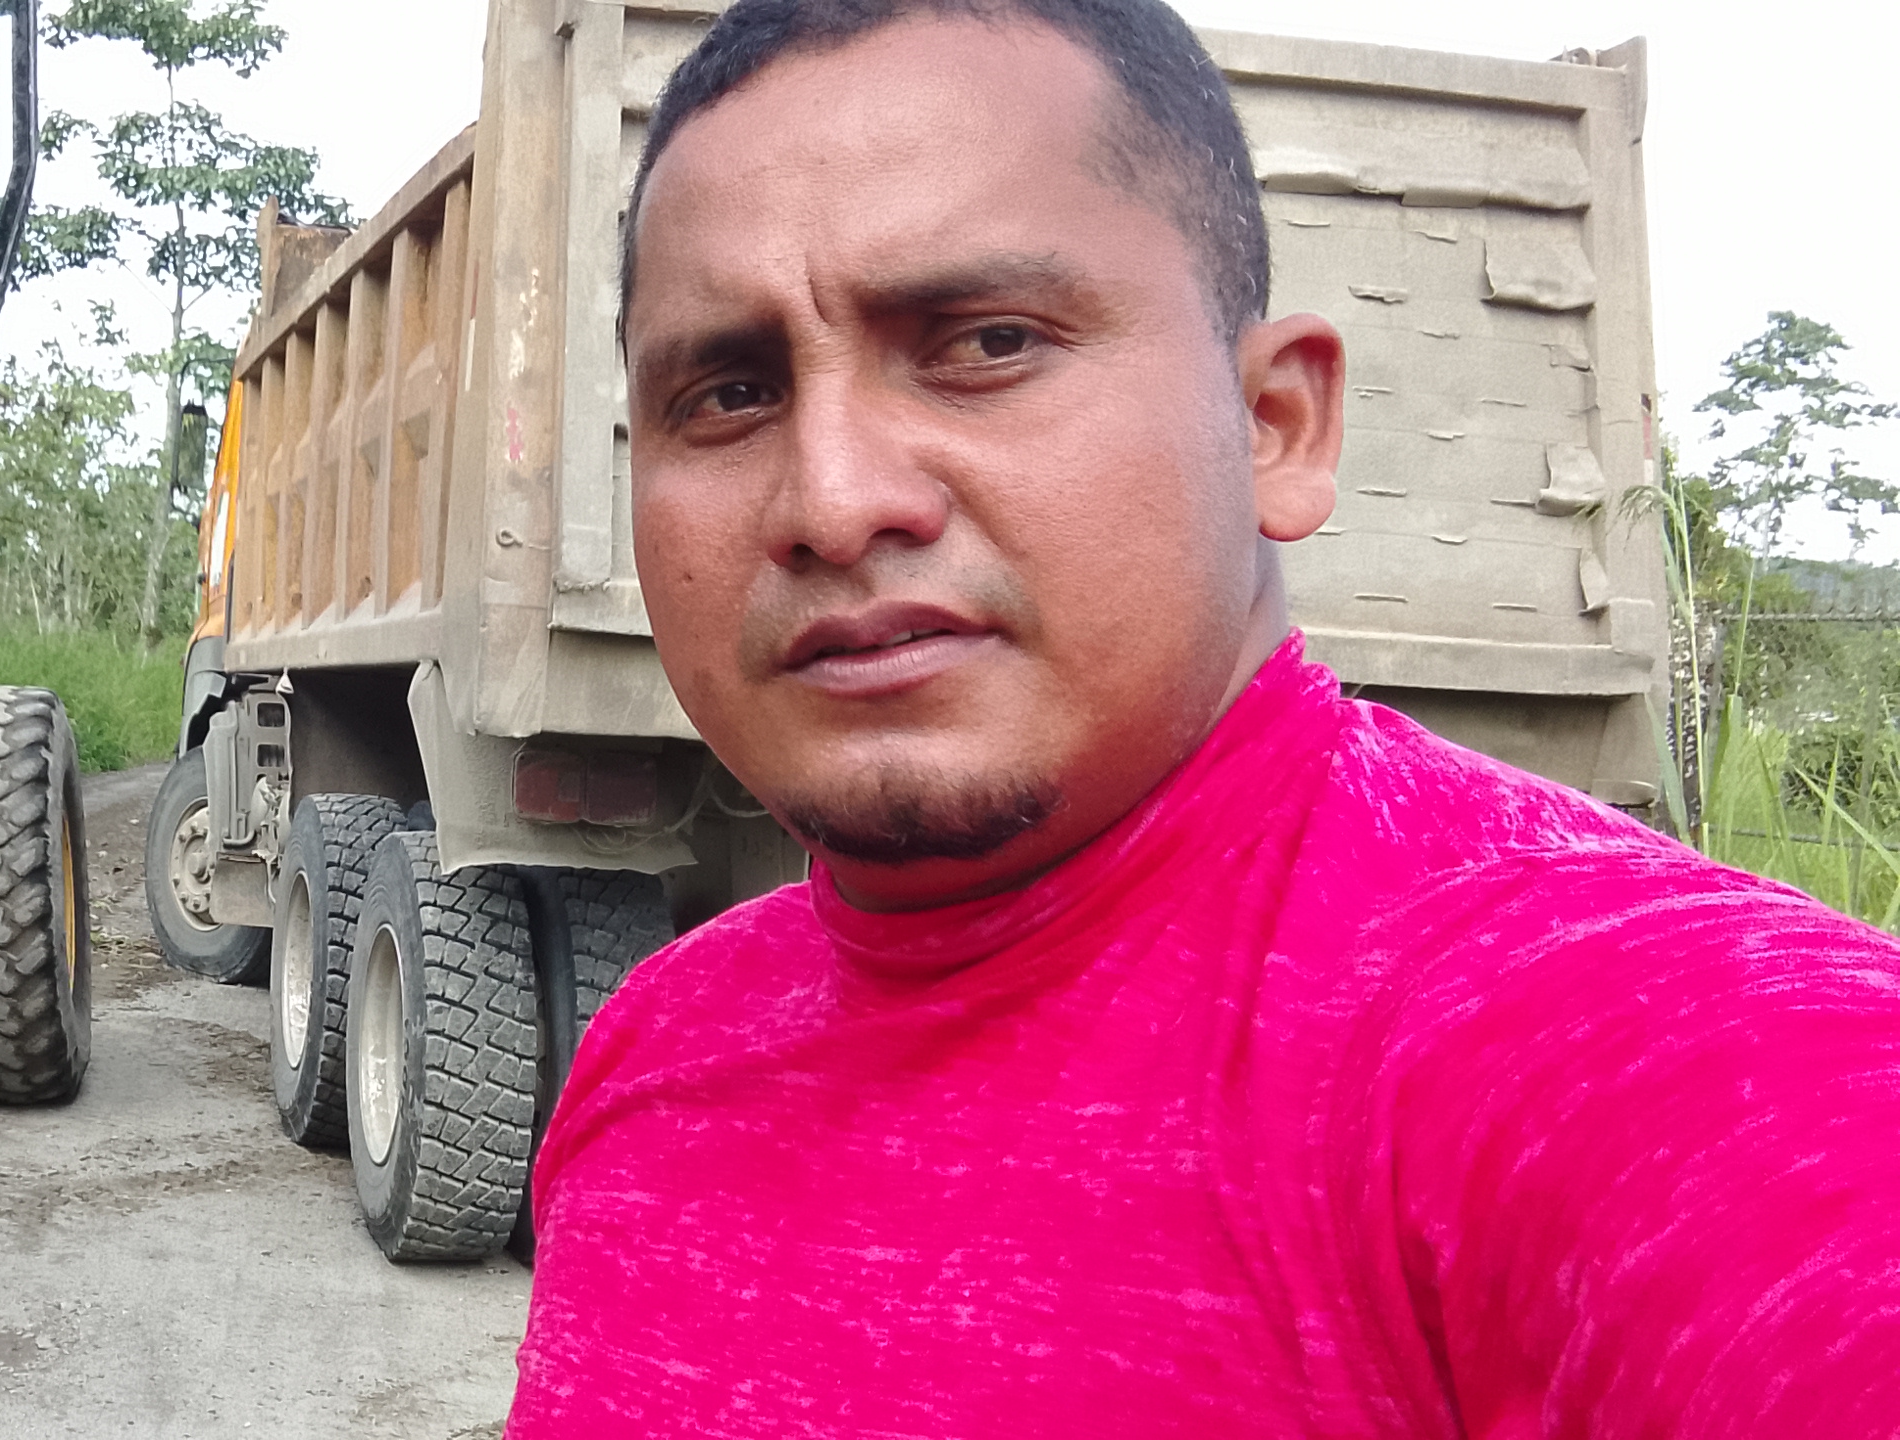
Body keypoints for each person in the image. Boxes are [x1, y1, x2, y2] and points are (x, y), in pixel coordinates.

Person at [510, 1, 1900, 1434]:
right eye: (728, 393)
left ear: (1274, 426)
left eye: (987, 341)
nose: (833, 500)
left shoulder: (1655, 1051)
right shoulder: (656, 1049)